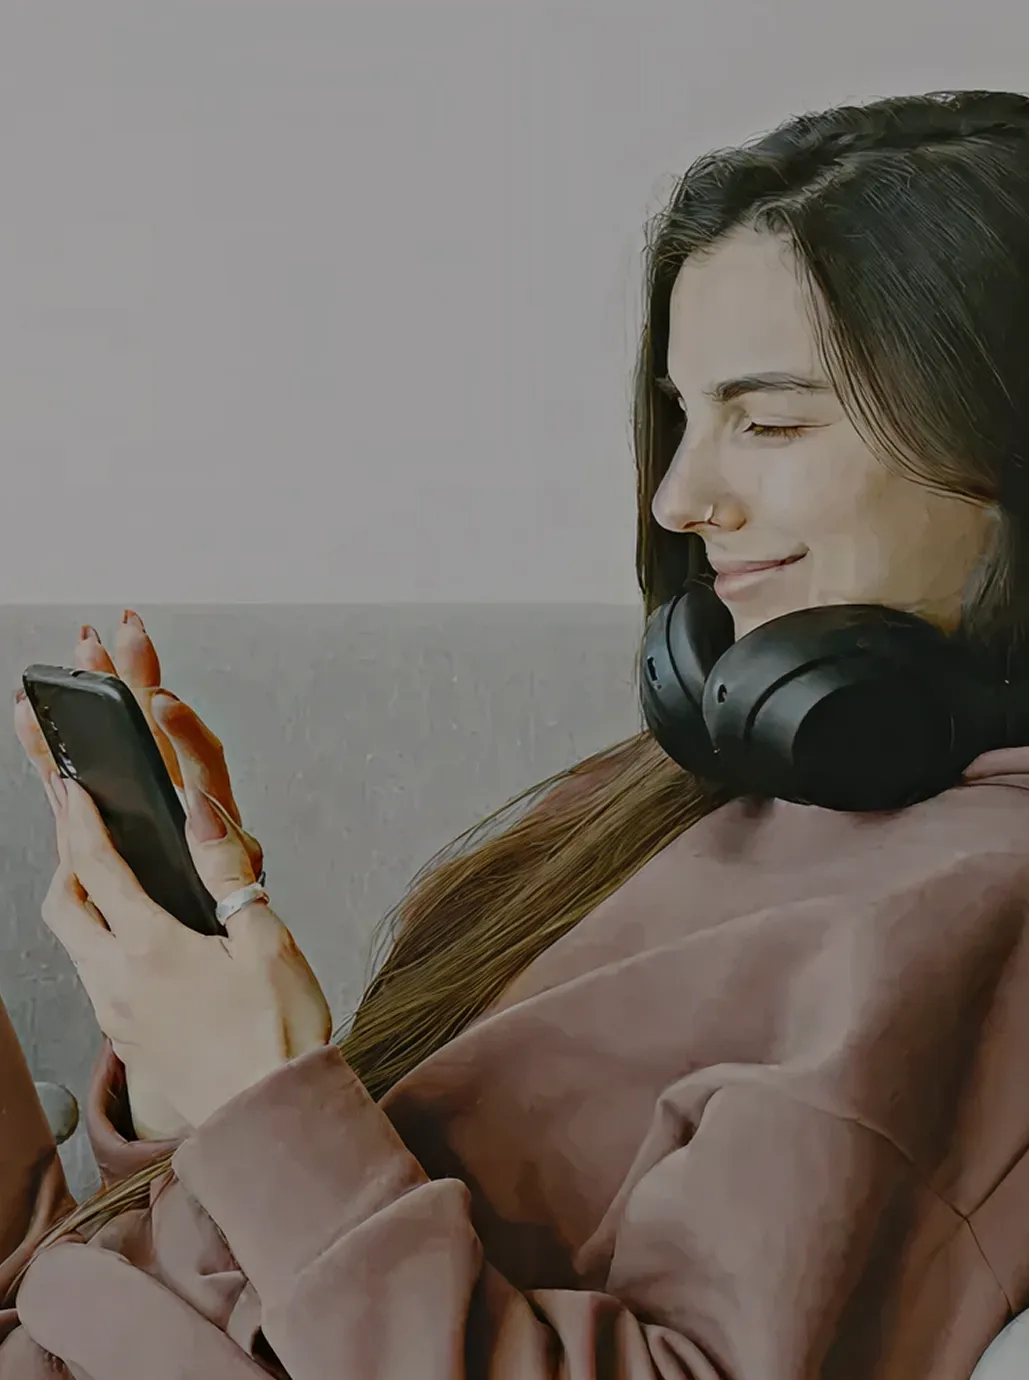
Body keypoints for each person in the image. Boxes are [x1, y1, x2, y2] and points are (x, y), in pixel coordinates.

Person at [2, 85, 1029, 1379]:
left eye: (768, 421)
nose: (678, 495)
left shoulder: (975, 908)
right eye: (684, 416)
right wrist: (184, 1052)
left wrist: (259, 1096)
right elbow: (231, 1276)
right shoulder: (694, 781)